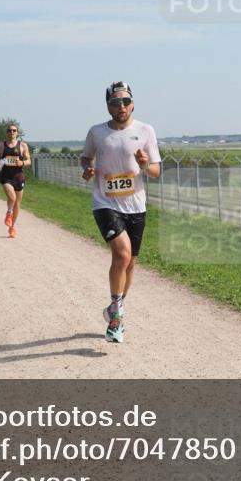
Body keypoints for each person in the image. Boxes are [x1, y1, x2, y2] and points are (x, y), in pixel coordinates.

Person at [80, 81, 161, 343]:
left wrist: (145, 164)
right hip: (105, 202)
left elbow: (156, 172)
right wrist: (88, 169)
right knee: (122, 254)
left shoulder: (145, 130)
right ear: (108, 106)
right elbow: (85, 157)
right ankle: (116, 318)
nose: (121, 106)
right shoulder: (96, 132)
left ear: (133, 104)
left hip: (136, 205)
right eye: (116, 102)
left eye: (126, 101)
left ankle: (116, 307)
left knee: (131, 263)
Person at [0, 124, 30, 239]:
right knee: (12, 198)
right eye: (9, 130)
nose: (12, 132)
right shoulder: (1, 145)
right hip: (6, 176)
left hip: (19, 176)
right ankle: (8, 213)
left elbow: (29, 161)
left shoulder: (23, 145)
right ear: (7, 133)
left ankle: (12, 227)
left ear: (17, 132)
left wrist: (22, 163)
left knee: (17, 204)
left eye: (14, 130)